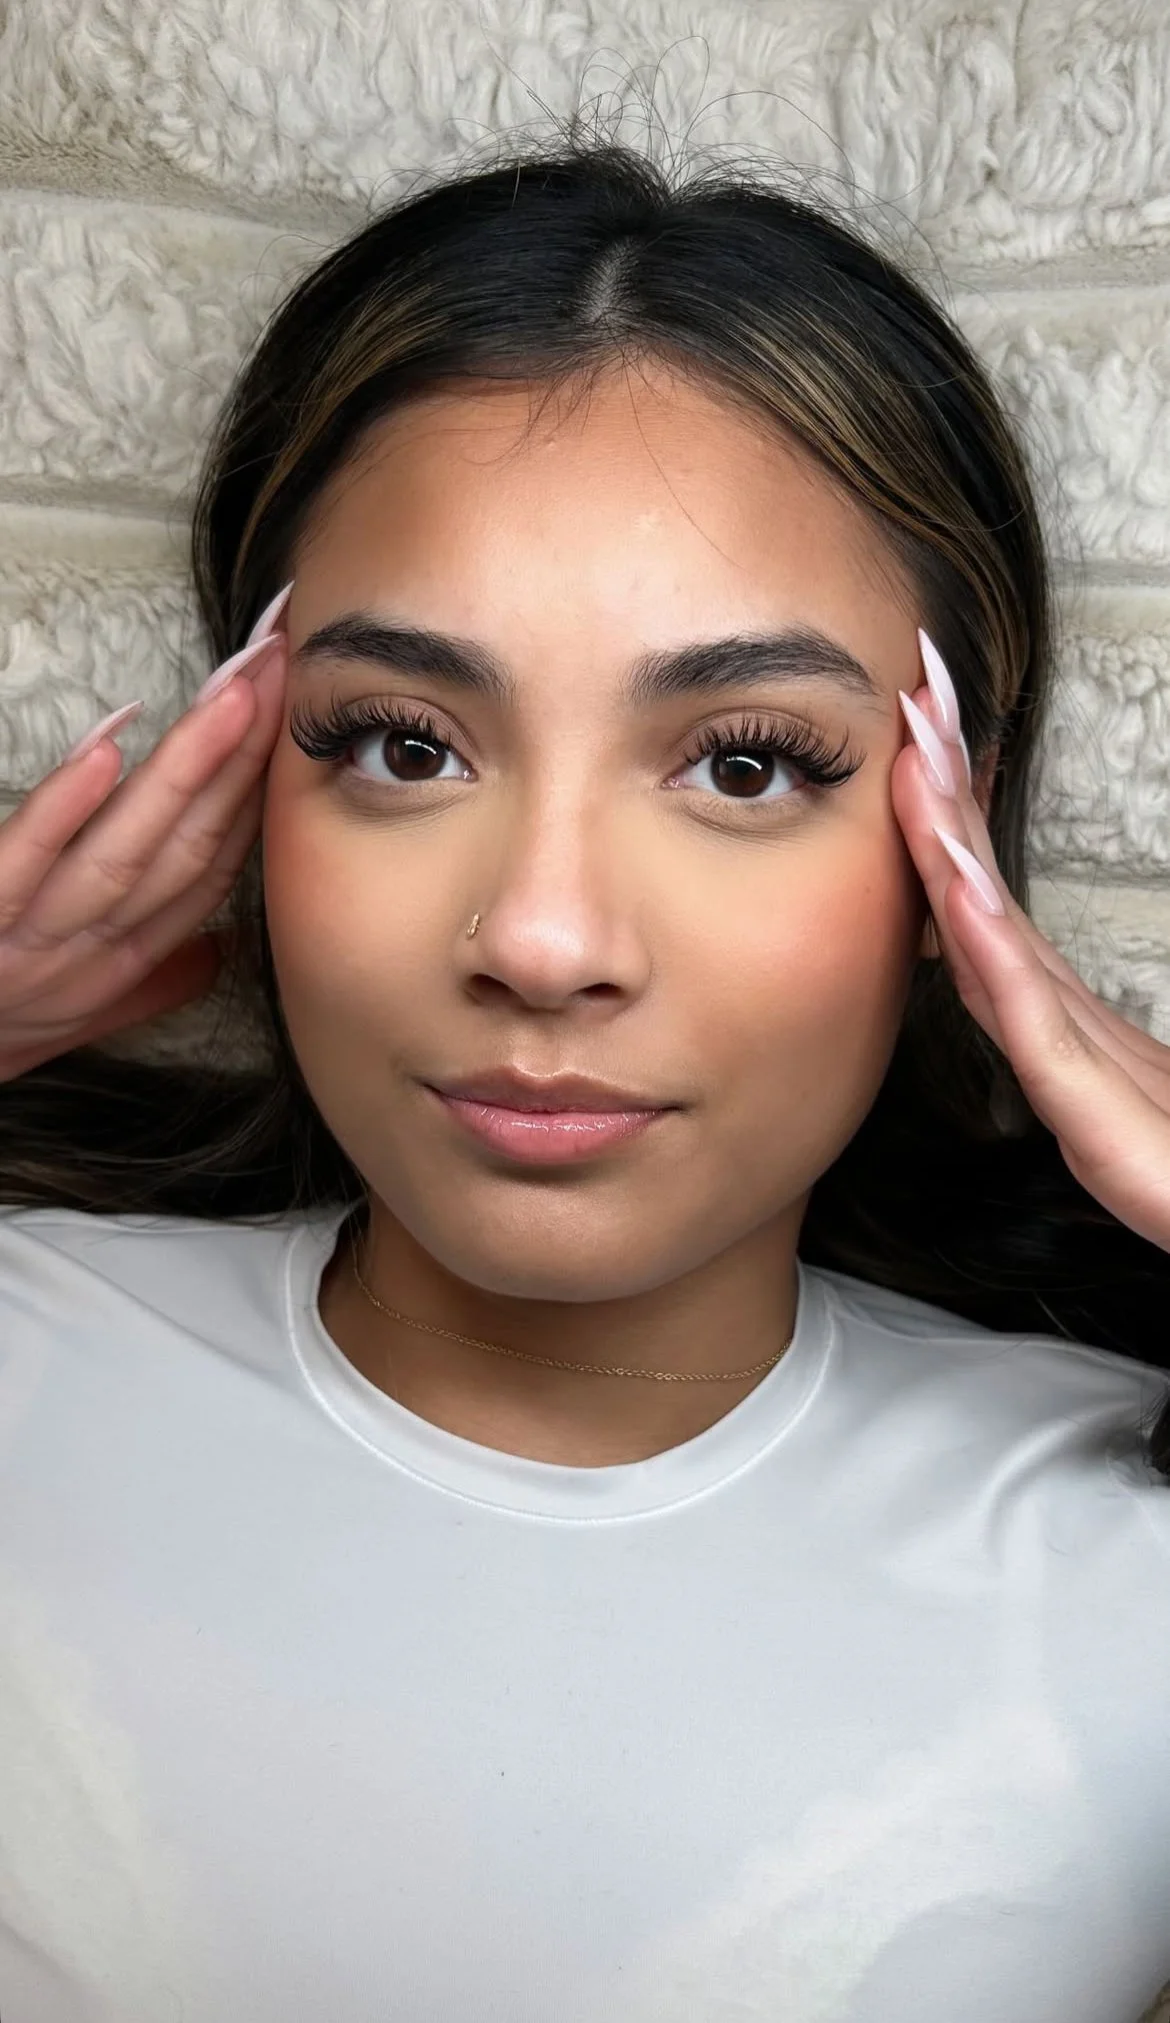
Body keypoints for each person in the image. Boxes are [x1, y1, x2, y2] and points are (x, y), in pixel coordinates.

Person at [0, 128, 1168, 2023]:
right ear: (244, 786)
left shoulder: (1118, 1537)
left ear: (954, 846)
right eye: (399, 742)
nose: (541, 938)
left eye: (744, 764)